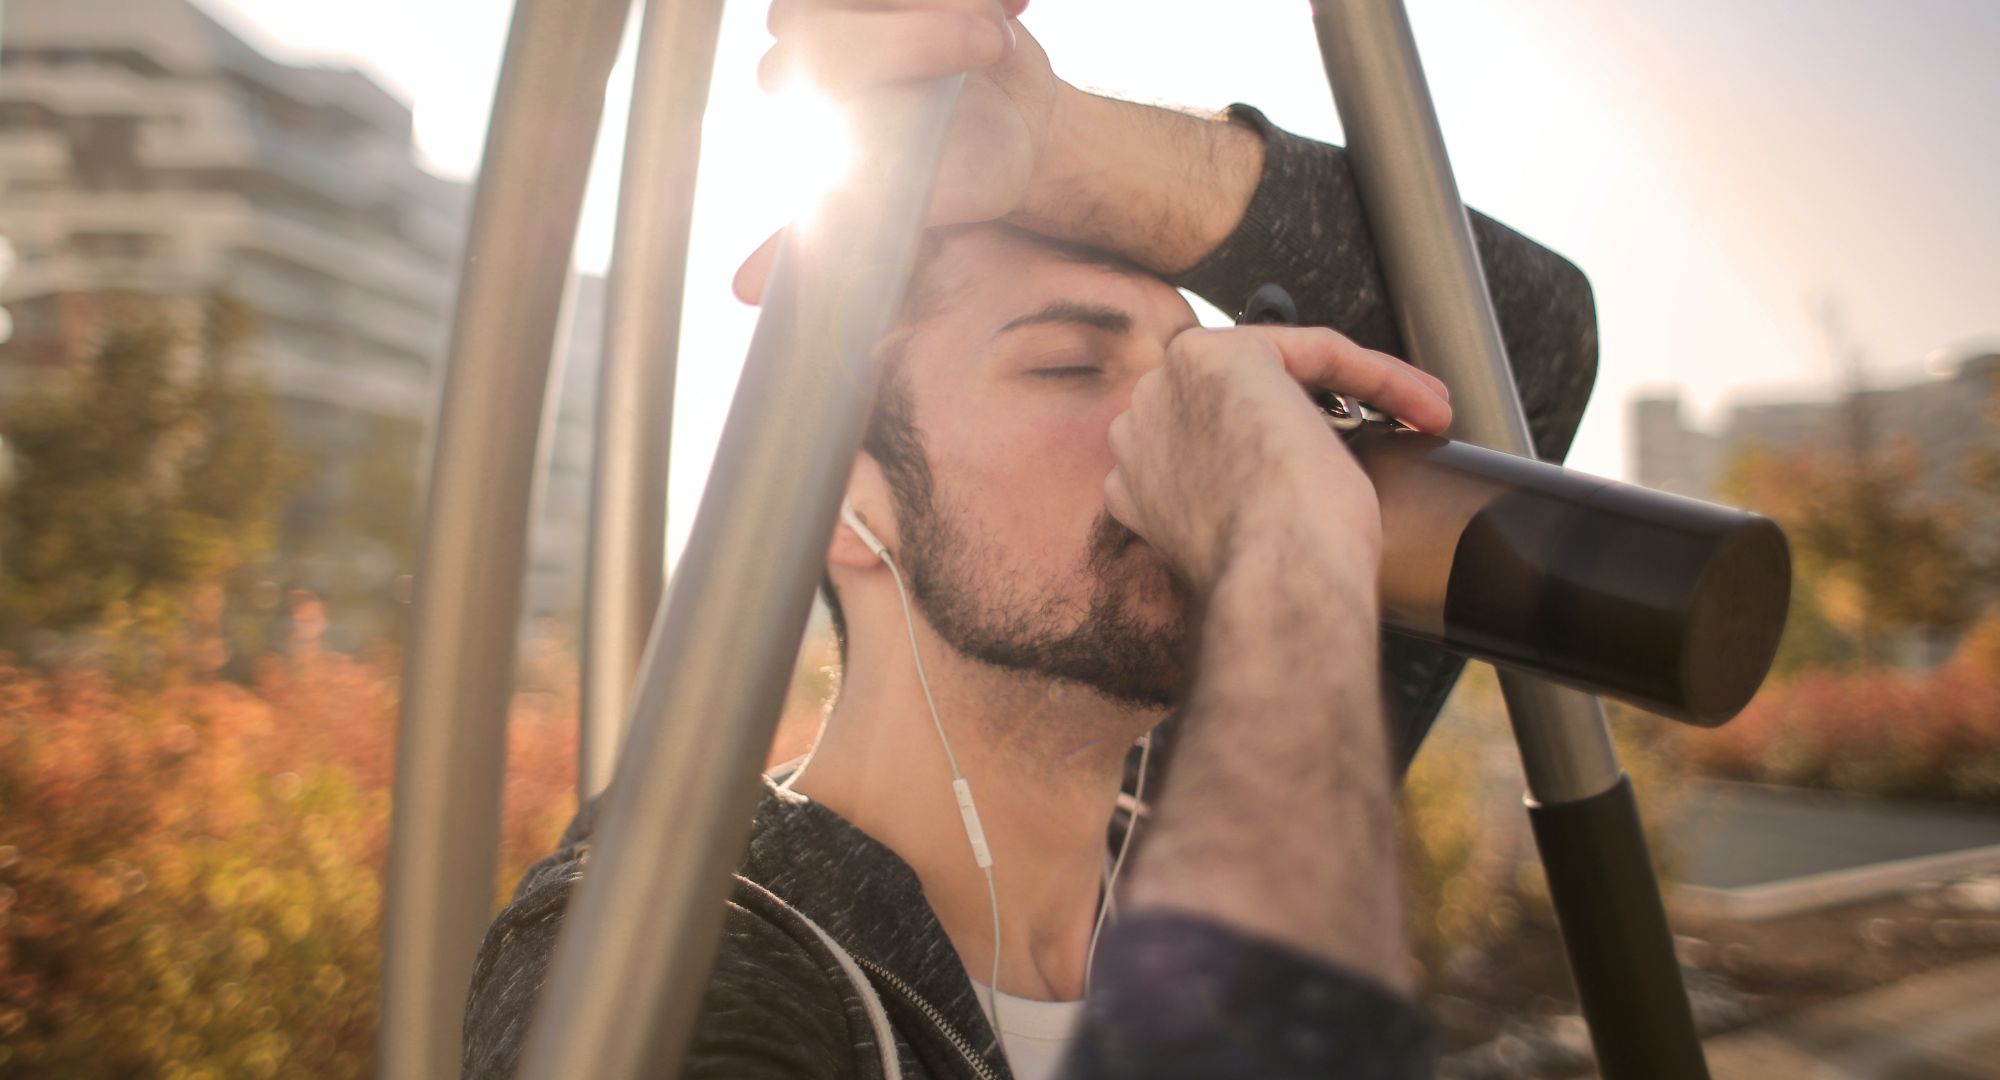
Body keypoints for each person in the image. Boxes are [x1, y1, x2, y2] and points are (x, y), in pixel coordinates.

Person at [463, 2, 1596, 1077]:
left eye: (1192, 373)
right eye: (1070, 365)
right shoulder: (676, 945)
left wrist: (1060, 148)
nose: (1178, 430)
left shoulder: (1202, 793)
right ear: (847, 511)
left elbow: (1511, 344)